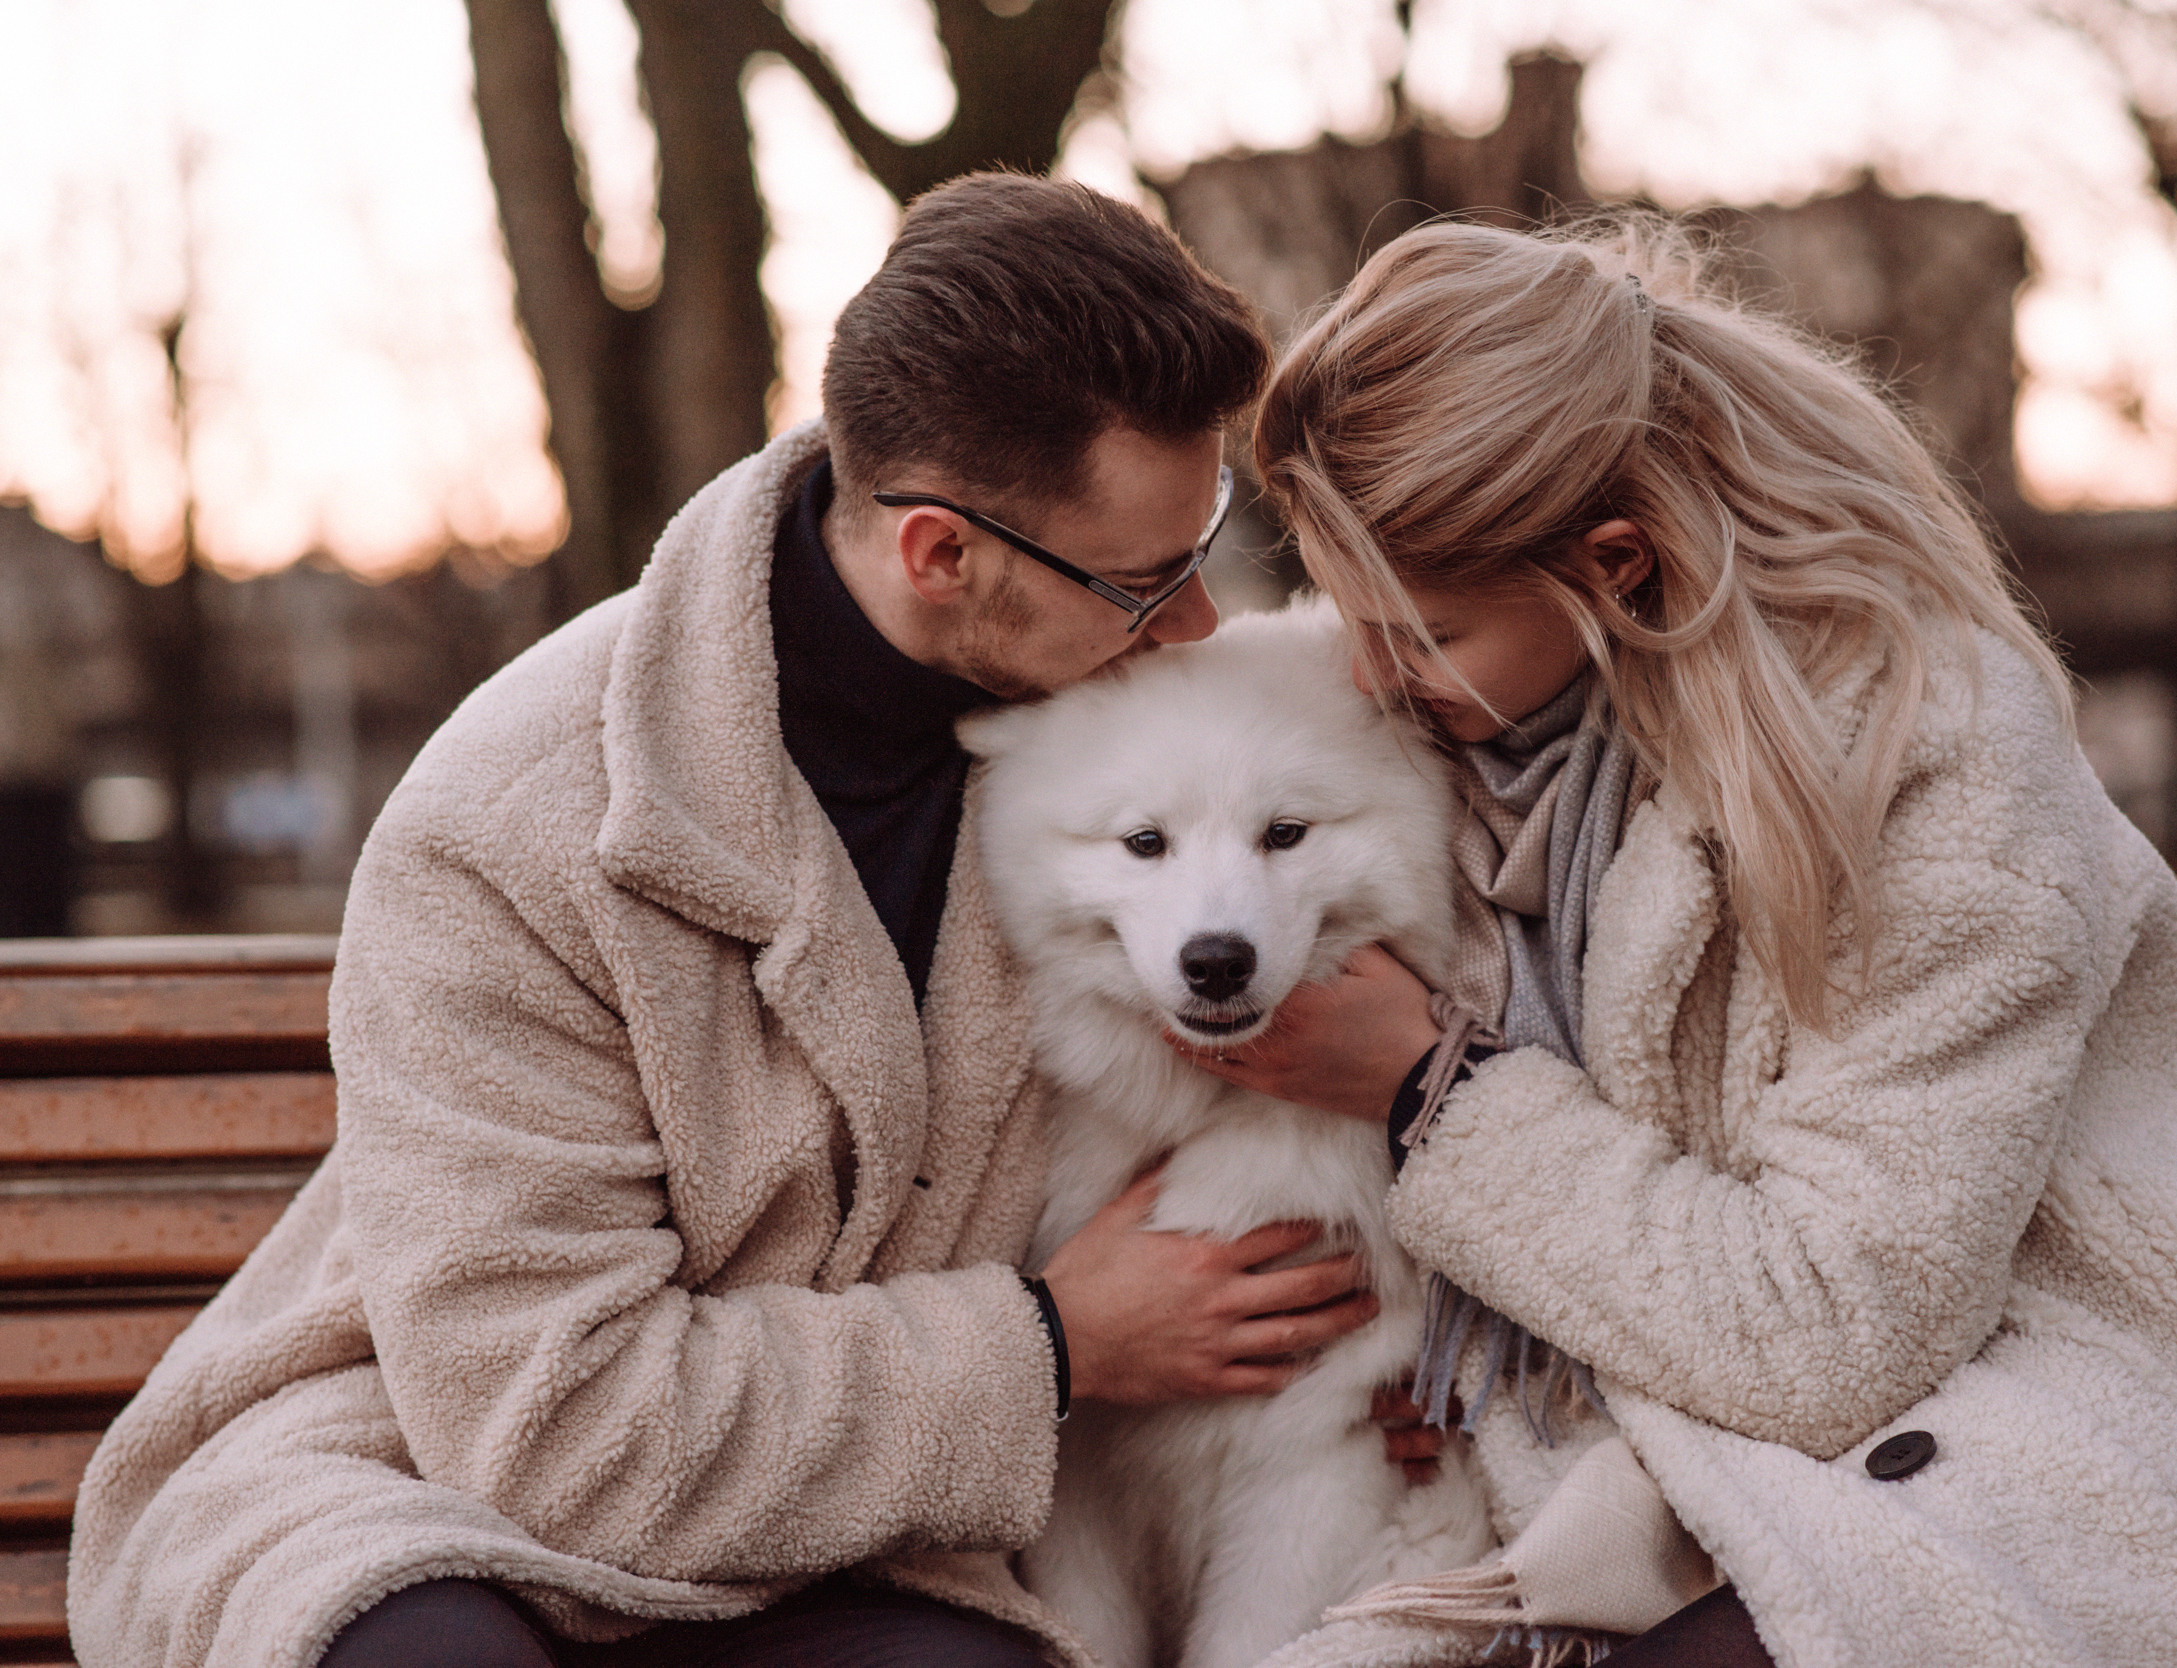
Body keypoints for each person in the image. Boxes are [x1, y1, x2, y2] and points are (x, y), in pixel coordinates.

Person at [67, 174, 1391, 1668]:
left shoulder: (1113, 749)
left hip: (879, 1535)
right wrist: (1052, 1345)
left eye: (1204, 544)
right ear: (941, 556)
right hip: (437, 1482)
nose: (1199, 628)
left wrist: (1436, 1364)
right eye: (1151, 584)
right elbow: (551, 1429)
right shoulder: (515, 826)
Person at [1183, 214, 2177, 1668]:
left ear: (1614, 566)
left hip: (1996, 1462)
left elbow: (1838, 1334)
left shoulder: (1926, 759)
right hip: (1622, 1458)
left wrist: (1431, 1095)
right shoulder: (1454, 758)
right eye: (1350, 619)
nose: (1371, 677)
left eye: (1419, 632)